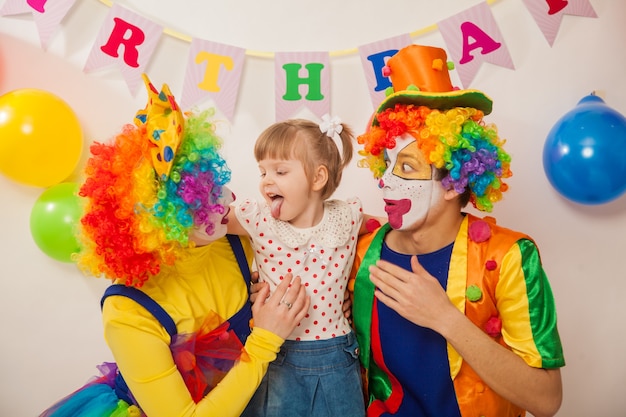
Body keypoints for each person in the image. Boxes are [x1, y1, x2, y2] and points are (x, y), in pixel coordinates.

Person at [39, 75, 310, 417]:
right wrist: (266, 340)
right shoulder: (129, 312)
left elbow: (305, 245)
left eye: (217, 186)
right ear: (161, 224)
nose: (229, 200)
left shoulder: (235, 240)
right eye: (204, 201)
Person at [351, 44, 565, 417]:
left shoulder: (509, 257)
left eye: (406, 167)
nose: (384, 183)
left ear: (453, 181)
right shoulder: (360, 251)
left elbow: (546, 400)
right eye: (386, 166)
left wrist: (445, 318)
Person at [226, 117, 382, 417]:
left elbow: (395, 232)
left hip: (337, 356)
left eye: (280, 171)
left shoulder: (347, 218)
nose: (266, 181)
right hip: (275, 354)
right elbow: (207, 222)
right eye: (263, 171)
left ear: (317, 177)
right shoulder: (259, 219)